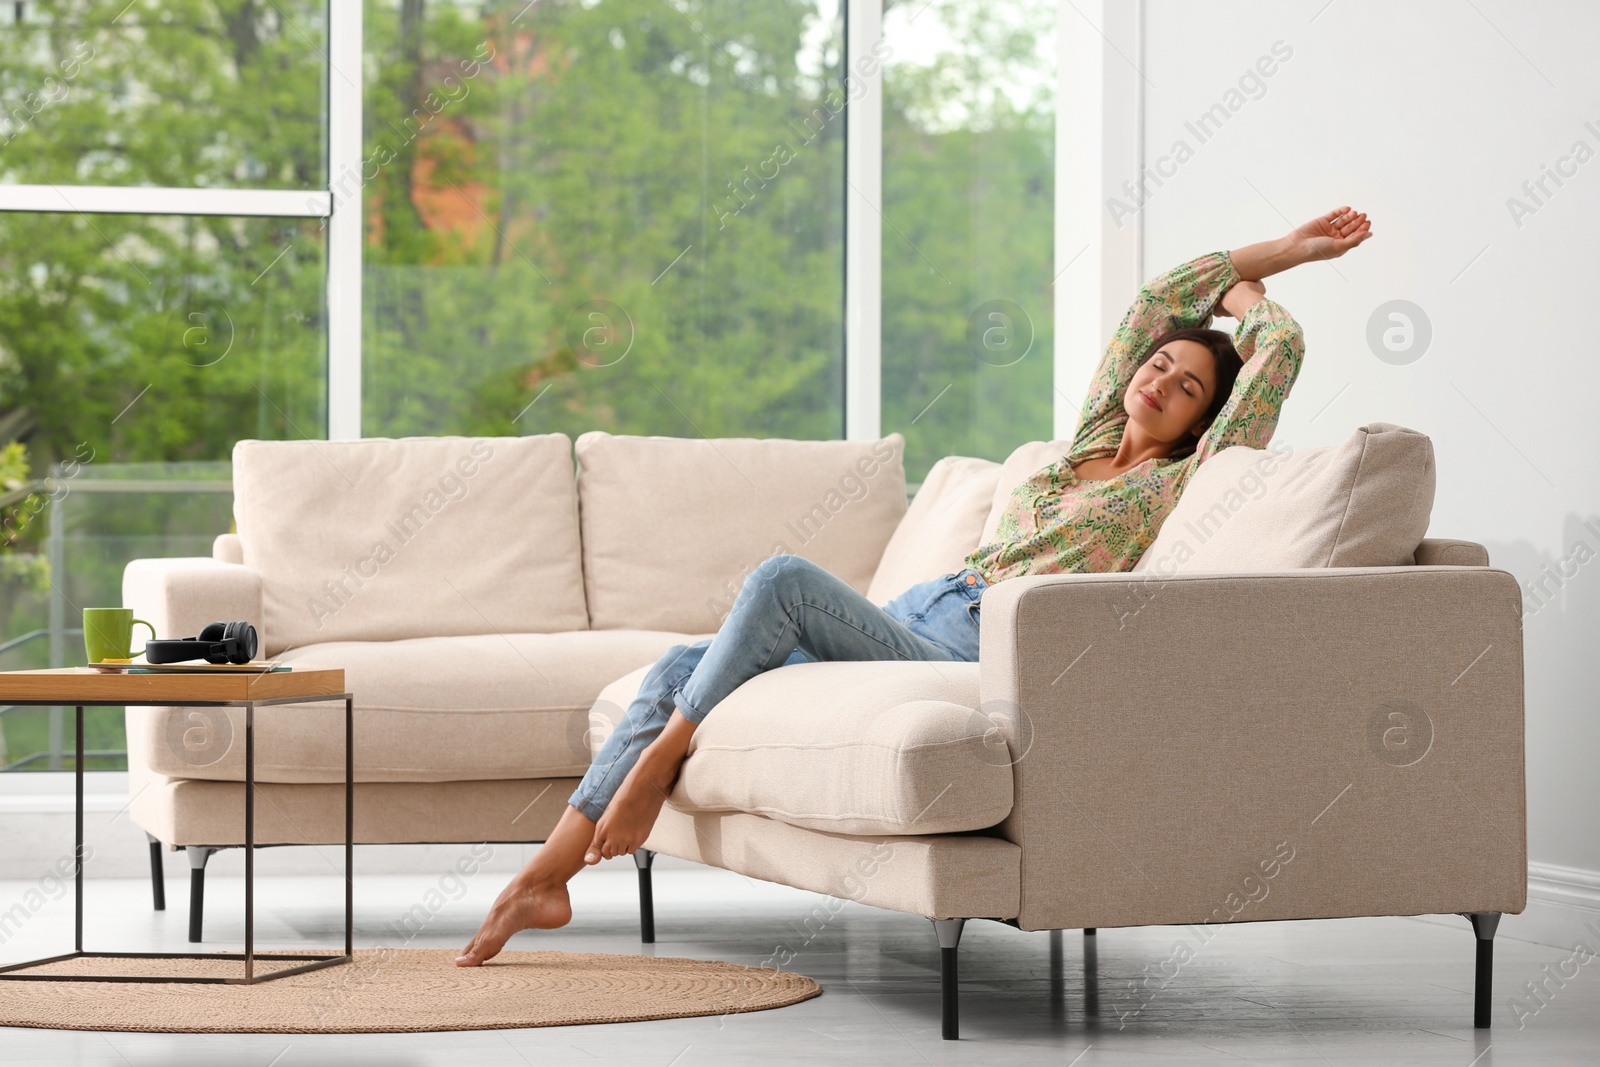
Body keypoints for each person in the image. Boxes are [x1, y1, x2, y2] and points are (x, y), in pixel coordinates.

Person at [455, 205, 1373, 967]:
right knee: (676, 663)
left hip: (965, 641)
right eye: (1159, 365)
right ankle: (547, 877)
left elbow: (1278, 348)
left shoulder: (1175, 480)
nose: (1161, 379)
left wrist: (1274, 278)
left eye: (1186, 385)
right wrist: (1254, 259)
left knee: (780, 578)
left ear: (1205, 420)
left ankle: (657, 764)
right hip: (912, 614)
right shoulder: (1086, 443)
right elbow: (1158, 298)